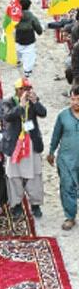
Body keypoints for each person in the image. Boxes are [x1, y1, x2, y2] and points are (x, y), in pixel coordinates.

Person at [2, 78, 46, 218]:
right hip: (15, 143)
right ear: (17, 90)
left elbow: (43, 113)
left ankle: (35, 204)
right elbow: (7, 117)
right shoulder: (8, 101)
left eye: (28, 89)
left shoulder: (33, 100)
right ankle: (16, 204)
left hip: (31, 141)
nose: (26, 92)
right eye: (23, 89)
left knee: (35, 174)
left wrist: (35, 102)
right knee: (14, 175)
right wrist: (20, 106)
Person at [48, 85, 79, 231]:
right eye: (73, 99)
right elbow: (56, 135)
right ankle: (70, 216)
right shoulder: (63, 115)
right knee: (67, 187)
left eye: (78, 100)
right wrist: (51, 151)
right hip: (66, 159)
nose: (75, 103)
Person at [14, 0, 42, 78]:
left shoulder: (16, 16)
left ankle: (18, 61)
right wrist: (39, 32)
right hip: (29, 39)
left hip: (19, 37)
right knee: (29, 55)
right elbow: (37, 27)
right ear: (29, 7)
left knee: (18, 50)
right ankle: (27, 71)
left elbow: (12, 24)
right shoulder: (32, 17)